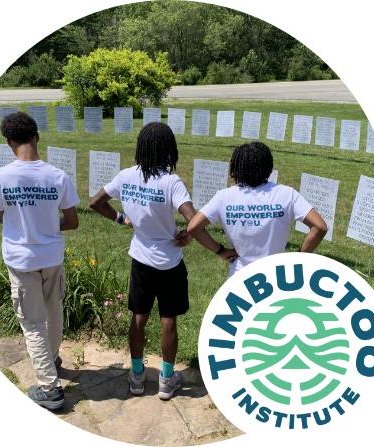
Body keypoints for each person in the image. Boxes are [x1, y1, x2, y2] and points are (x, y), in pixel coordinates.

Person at [89, 122, 234, 400]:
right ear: (169, 149)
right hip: (169, 263)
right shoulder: (170, 182)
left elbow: (96, 202)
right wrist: (216, 248)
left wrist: (121, 218)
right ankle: (167, 380)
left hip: (140, 259)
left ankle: (136, 376)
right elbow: (194, 220)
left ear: (141, 147)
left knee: (138, 317)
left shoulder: (125, 176)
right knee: (168, 321)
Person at [0, 112, 79, 410]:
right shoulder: (58, 176)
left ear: (8, 142)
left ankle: (50, 388)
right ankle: (51, 360)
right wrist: (48, 226)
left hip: (21, 259)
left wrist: (28, 226)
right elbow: (72, 221)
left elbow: (4, 218)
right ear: (37, 136)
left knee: (32, 322)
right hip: (52, 256)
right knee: (54, 311)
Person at [187, 141, 328, 276]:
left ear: (236, 168)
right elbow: (320, 227)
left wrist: (220, 250)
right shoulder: (286, 194)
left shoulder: (224, 197)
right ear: (269, 167)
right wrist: (296, 259)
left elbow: (193, 227)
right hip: (277, 275)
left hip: (240, 276)